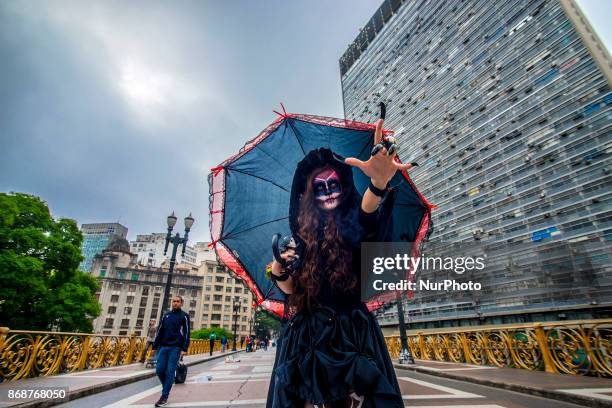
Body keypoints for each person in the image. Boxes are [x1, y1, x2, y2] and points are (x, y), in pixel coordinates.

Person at [266, 115, 414, 407]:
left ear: (343, 186)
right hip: (307, 334)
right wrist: (281, 271)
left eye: (333, 184)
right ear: (309, 195)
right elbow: (294, 292)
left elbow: (367, 214)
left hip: (351, 332)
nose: (328, 192)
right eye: (319, 188)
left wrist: (378, 183)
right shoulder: (301, 236)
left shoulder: (353, 224)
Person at [152, 295, 190, 407]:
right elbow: (160, 331)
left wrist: (184, 348)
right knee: (159, 370)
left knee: (169, 371)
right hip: (163, 347)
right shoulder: (166, 315)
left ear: (181, 303)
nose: (175, 303)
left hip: (176, 348)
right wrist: (154, 346)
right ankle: (167, 386)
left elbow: (187, 333)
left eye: (178, 301)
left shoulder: (184, 316)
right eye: (173, 301)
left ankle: (164, 397)